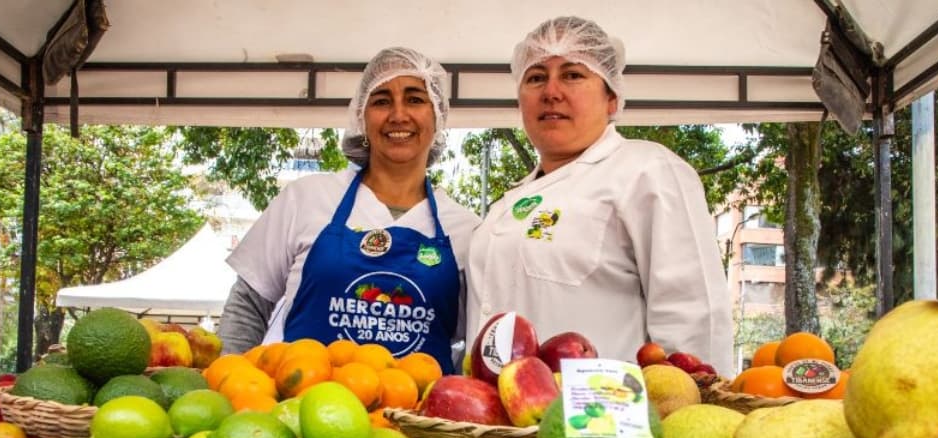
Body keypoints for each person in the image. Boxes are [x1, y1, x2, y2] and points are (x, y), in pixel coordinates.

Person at [466, 16, 734, 376]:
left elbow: (694, 318)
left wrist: (689, 413)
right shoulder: (507, 205)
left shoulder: (647, 171)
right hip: (500, 424)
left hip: (599, 423)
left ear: (612, 98)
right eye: (536, 77)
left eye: (573, 74)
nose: (551, 92)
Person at [221, 47, 480, 374]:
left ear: (438, 115)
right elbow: (247, 306)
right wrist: (230, 386)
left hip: (420, 423)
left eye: (415, 99)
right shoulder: (308, 198)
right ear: (361, 115)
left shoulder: (467, 230)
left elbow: (473, 342)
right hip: (304, 414)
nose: (398, 115)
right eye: (382, 100)